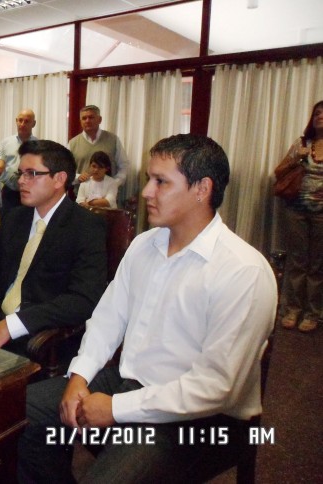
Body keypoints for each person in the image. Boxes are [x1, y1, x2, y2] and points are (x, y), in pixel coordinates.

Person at [17, 134, 278, 483]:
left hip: (202, 419)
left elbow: (216, 387)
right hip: (130, 382)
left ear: (202, 189)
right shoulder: (144, 245)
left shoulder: (242, 270)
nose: (146, 192)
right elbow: (108, 319)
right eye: (148, 179)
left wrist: (115, 408)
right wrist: (79, 377)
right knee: (17, 415)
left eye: (160, 182)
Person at [0, 140, 107, 352]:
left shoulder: (86, 226)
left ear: (59, 179)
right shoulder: (16, 217)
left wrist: (13, 325)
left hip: (40, 336)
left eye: (31, 174)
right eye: (21, 173)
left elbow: (83, 299)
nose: (21, 181)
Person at [276, 100, 323, 333]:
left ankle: (313, 313)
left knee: (317, 264)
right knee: (297, 261)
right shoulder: (302, 143)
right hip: (296, 209)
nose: (320, 117)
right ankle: (292, 309)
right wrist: (297, 157)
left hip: (321, 214)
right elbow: (278, 171)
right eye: (317, 113)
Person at [68, 105, 129, 187]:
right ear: (80, 121)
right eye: (84, 118)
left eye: (91, 117)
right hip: (81, 193)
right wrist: (78, 177)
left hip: (108, 193)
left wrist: (115, 183)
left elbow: (124, 166)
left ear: (100, 119)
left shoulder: (113, 140)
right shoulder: (72, 144)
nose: (87, 121)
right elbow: (66, 170)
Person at [0, 109, 38, 221]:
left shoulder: (38, 145)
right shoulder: (5, 143)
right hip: (9, 192)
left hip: (30, 191)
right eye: (20, 120)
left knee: (27, 224)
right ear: (16, 121)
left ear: (33, 124)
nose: (22, 124)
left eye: (27, 121)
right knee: (7, 223)